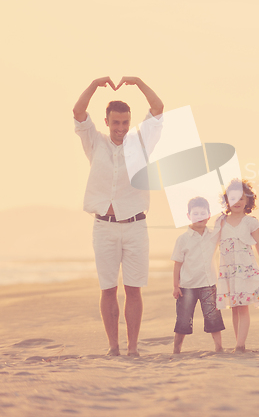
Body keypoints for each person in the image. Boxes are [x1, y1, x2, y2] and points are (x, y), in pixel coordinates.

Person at [73, 76, 163, 357]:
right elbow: (77, 112)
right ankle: (114, 347)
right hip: (104, 227)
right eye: (116, 123)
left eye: (125, 123)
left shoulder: (141, 142)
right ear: (107, 121)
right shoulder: (94, 142)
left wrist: (138, 83)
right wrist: (93, 85)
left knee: (134, 289)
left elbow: (158, 107)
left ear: (129, 122)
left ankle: (133, 348)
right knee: (108, 289)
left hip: (136, 226)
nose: (121, 128)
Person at [217, 179, 259, 353]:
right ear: (227, 201)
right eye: (233, 198)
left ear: (248, 201)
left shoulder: (250, 222)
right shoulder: (221, 221)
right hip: (228, 271)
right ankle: (238, 341)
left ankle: (240, 345)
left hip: (245, 270)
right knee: (234, 307)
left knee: (243, 307)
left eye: (241, 198)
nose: (237, 202)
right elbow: (210, 245)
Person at [171, 197, 225, 354]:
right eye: (195, 214)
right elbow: (177, 264)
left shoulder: (213, 235)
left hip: (208, 285)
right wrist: (175, 286)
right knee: (183, 318)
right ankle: (176, 349)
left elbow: (224, 221)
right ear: (188, 216)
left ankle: (219, 347)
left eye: (203, 213)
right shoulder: (182, 239)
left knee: (213, 317)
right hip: (187, 286)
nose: (199, 217)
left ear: (209, 215)